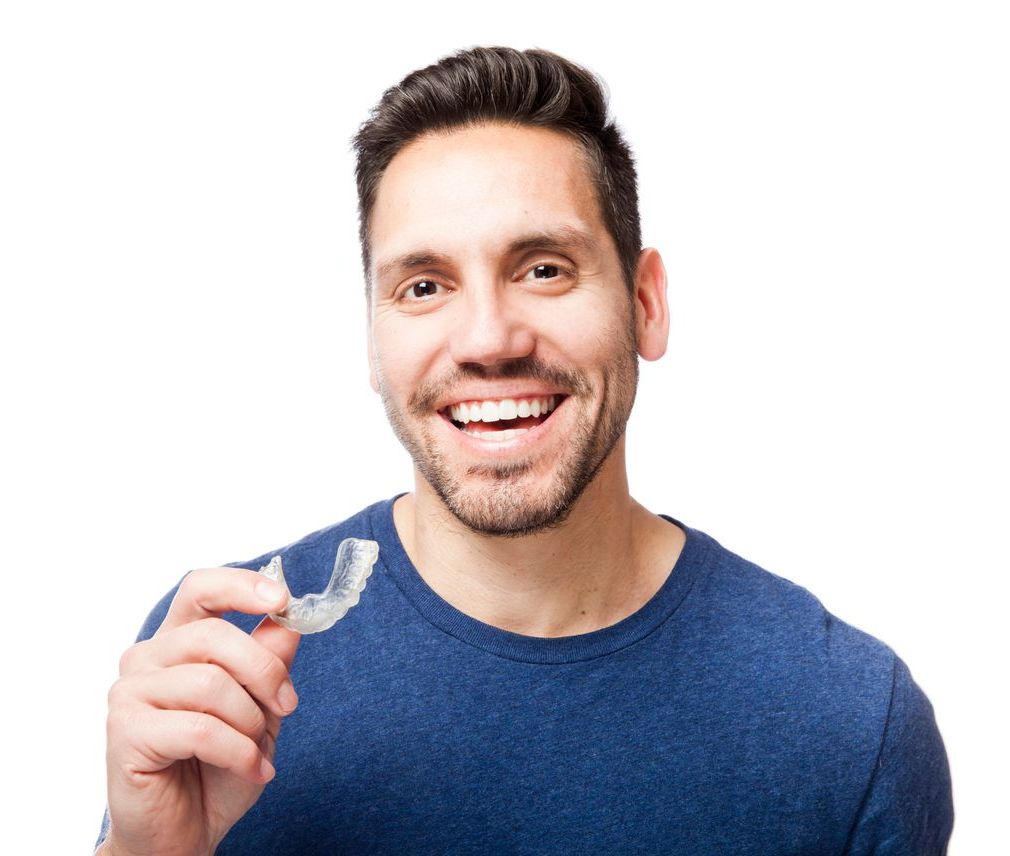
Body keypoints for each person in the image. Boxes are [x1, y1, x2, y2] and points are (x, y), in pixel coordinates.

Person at [96, 46, 953, 855]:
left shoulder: (848, 722)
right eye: (424, 286)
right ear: (371, 336)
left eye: (543, 268)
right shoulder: (222, 663)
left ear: (646, 304)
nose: (488, 338)